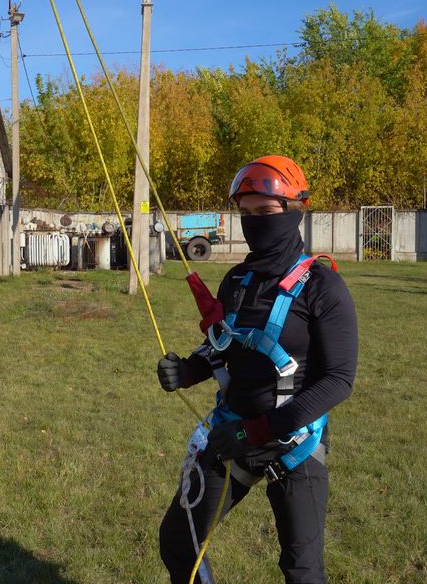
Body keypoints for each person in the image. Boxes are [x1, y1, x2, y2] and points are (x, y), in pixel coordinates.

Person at [156, 155, 358, 584]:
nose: (254, 223)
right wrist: (189, 370)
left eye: (265, 212)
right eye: (245, 214)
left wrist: (264, 430)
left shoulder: (323, 287)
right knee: (178, 541)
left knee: (302, 571)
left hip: (295, 443)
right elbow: (223, 345)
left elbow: (339, 380)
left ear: (294, 210)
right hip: (231, 435)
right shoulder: (238, 281)